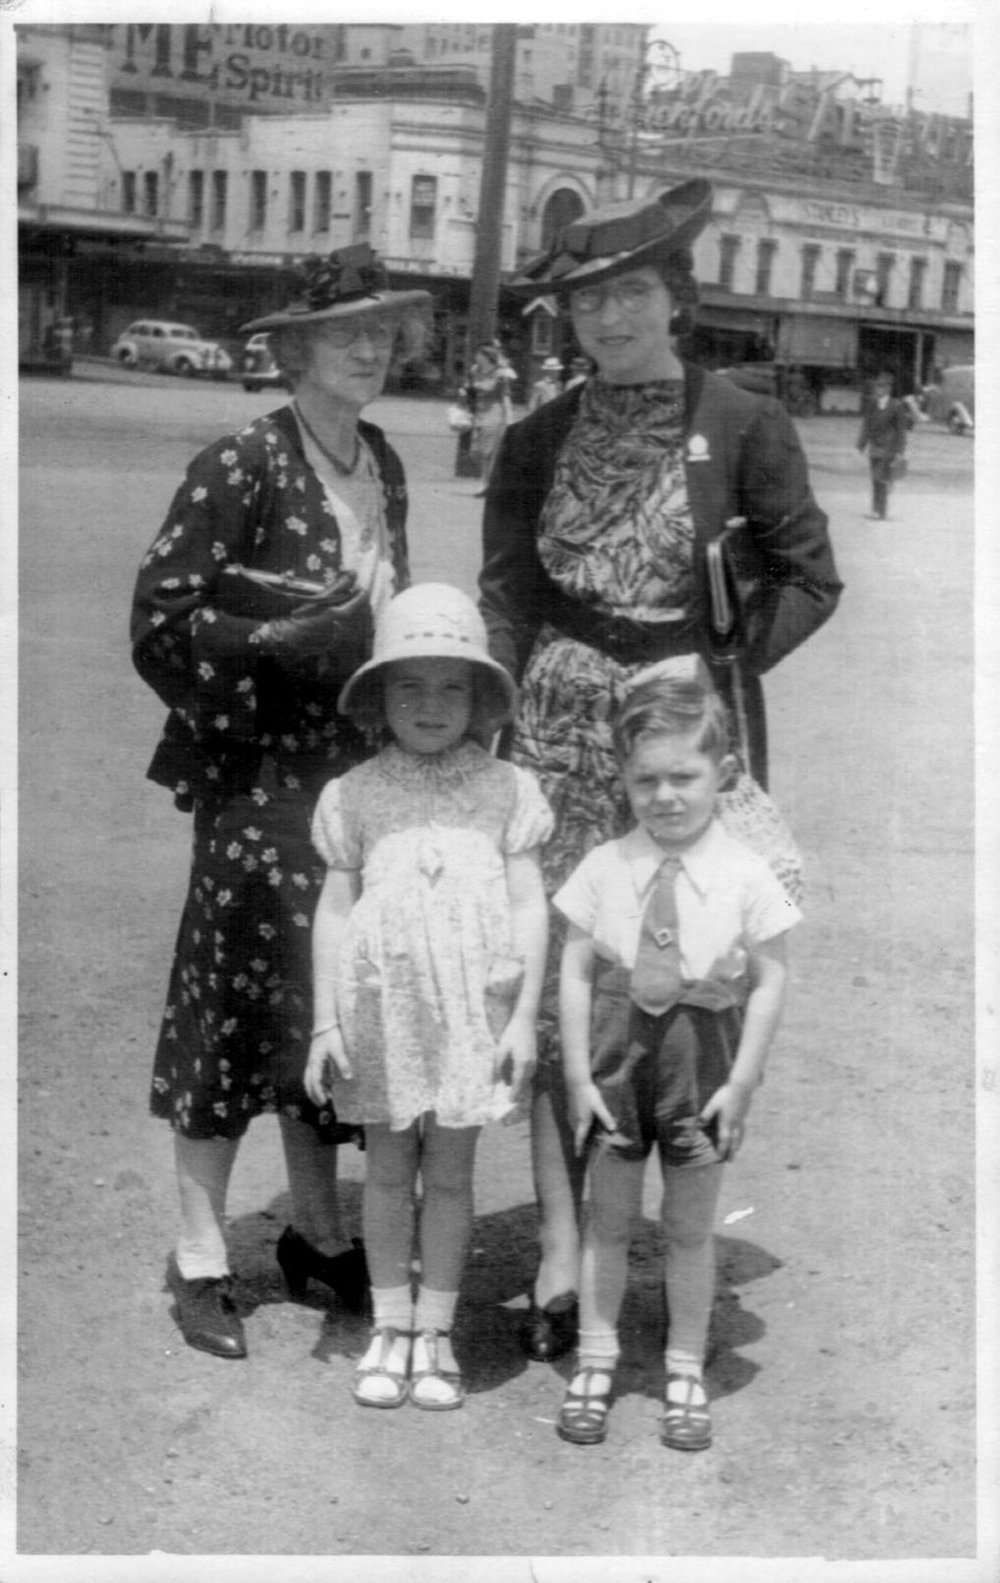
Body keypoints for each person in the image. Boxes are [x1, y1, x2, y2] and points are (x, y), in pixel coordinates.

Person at [478, 178, 842, 1364]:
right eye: (588, 305)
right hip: (559, 732)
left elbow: (807, 574)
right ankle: (557, 1253)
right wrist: (506, 717)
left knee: (685, 976)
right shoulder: (534, 436)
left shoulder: (739, 421)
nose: (610, 321)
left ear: (672, 298)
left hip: (680, 738)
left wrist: (721, 661)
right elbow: (506, 592)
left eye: (631, 294)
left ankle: (665, 1228)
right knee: (558, 989)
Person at [130, 244, 431, 1359]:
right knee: (229, 1009)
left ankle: (315, 1232)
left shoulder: (382, 460)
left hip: (350, 782)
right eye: (347, 330)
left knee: (329, 1003)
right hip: (256, 779)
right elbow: (159, 625)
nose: (371, 346)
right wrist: (276, 643)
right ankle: (203, 1254)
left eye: (384, 330)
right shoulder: (241, 462)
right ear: (293, 349)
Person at [305, 584, 552, 1409]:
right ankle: (389, 1321)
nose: (432, 705)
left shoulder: (507, 791)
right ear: (377, 697)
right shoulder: (354, 793)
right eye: (410, 685)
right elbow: (335, 909)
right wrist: (324, 1021)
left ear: (483, 699)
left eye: (453, 687)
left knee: (448, 1174)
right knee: (385, 1173)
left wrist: (521, 1016)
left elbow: (527, 903)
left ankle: (435, 1331)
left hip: (467, 1016)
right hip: (382, 1009)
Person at [553, 670, 800, 1450]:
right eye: (645, 779)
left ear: (722, 774)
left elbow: (770, 978)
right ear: (621, 778)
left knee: (691, 1228)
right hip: (618, 1065)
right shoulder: (603, 866)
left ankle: (684, 1367)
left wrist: (743, 1080)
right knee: (610, 1219)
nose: (664, 795)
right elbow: (576, 967)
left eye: (683, 777)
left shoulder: (745, 874)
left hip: (701, 1068)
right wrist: (577, 1076)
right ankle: (595, 1358)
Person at [857, 369, 909, 520]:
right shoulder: (872, 404)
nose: (877, 390)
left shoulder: (896, 406)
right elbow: (867, 424)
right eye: (877, 386)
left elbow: (901, 431)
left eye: (881, 387)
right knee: (875, 478)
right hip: (874, 448)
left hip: (888, 449)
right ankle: (875, 509)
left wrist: (900, 451)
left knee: (880, 478)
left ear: (888, 389)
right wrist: (861, 445)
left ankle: (882, 511)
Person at [463, 342, 515, 492]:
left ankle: (486, 483)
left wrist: (510, 417)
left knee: (489, 450)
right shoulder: (474, 371)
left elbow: (505, 396)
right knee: (480, 450)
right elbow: (468, 389)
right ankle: (486, 481)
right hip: (478, 413)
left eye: (479, 355)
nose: (476, 357)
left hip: (494, 413)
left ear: (486, 357)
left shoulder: (500, 373)